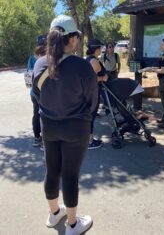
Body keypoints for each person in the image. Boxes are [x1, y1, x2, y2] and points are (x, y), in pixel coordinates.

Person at [32, 15, 98, 235]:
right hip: (76, 129)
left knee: (52, 171)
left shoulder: (40, 64)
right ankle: (72, 225)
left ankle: (54, 214)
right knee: (70, 175)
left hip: (48, 127)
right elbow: (92, 102)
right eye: (77, 37)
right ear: (71, 39)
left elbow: (36, 95)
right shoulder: (82, 66)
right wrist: (89, 128)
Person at [139, 38, 164, 128]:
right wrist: (151, 68)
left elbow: (162, 70)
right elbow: (160, 67)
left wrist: (150, 69)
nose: (160, 46)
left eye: (162, 44)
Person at [86, 38, 108, 149]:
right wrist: (102, 78)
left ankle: (86, 139)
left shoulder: (88, 59)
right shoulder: (94, 61)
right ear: (96, 49)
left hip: (89, 92)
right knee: (91, 115)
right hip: (92, 92)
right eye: (100, 47)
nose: (101, 49)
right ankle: (89, 141)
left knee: (89, 115)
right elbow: (91, 79)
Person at [27, 35, 47, 148]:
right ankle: (45, 142)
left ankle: (36, 138)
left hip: (33, 92)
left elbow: (28, 75)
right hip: (45, 92)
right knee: (45, 115)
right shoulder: (48, 57)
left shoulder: (31, 58)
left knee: (36, 114)